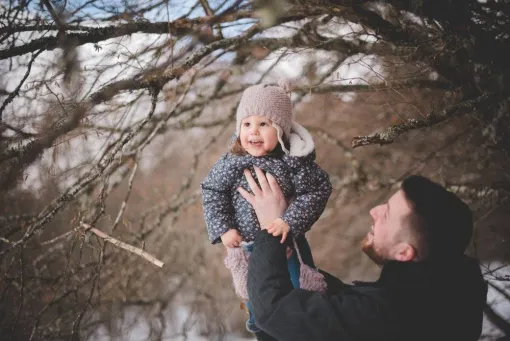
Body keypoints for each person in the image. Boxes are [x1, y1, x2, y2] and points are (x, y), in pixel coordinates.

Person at [240, 172, 488, 341]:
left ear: (404, 252)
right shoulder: (437, 301)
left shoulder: (389, 315)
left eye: (387, 214)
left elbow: (274, 312)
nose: (374, 211)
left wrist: (271, 229)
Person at [200, 79, 332, 337]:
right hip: (247, 244)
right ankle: (260, 329)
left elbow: (318, 190)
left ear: (281, 130)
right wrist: (224, 228)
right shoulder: (233, 161)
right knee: (253, 294)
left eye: (264, 124)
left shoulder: (294, 161)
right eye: (247, 124)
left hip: (286, 242)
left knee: (298, 289)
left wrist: (289, 221)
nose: (253, 132)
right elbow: (212, 190)